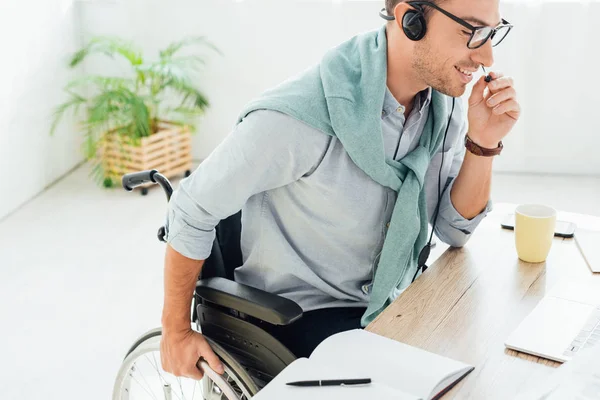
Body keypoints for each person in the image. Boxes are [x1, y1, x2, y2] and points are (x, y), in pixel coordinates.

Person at [159, 0, 520, 379]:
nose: (487, 57)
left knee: (490, 361)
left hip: (392, 302)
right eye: (471, 31)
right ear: (410, 20)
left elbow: (452, 229)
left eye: (492, 32)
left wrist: (482, 143)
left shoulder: (442, 108)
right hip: (299, 319)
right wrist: (176, 331)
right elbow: (191, 208)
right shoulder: (301, 117)